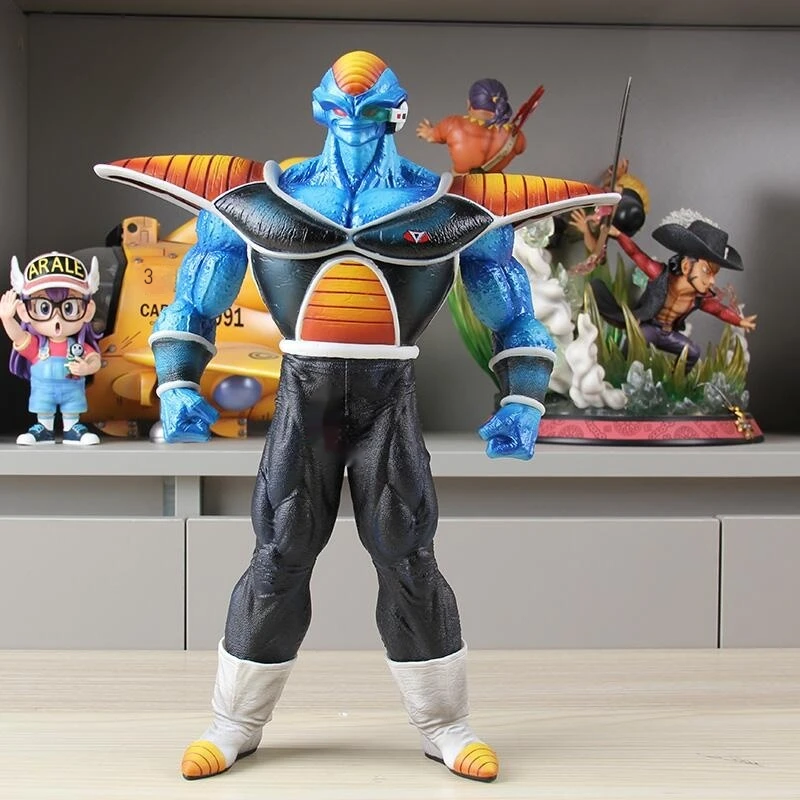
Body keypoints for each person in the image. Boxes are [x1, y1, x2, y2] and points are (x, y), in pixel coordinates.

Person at [94, 50, 615, 783]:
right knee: (279, 550)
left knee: (407, 552)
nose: (354, 125)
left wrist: (524, 399)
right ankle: (234, 721)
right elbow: (196, 299)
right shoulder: (258, 194)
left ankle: (445, 723)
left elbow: (510, 310)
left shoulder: (454, 203)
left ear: (397, 114)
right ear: (319, 109)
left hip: (386, 395)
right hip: (304, 394)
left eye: (370, 111)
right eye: (340, 110)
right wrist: (178, 384)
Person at [591, 212, 757, 370]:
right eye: (706, 271)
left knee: (693, 352)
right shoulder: (660, 275)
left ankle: (674, 380)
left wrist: (739, 321)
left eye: (714, 274)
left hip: (669, 335)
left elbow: (719, 310)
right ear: (686, 266)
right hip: (648, 328)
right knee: (633, 341)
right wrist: (618, 235)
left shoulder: (699, 298)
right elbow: (636, 254)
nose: (712, 280)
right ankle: (619, 369)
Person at [1, 252, 102, 445]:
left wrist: (87, 367)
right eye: (44, 308)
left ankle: (72, 429)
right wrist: (7, 319)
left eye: (69, 308)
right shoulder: (37, 345)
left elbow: (94, 359)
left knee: (72, 408)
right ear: (24, 311)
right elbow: (18, 336)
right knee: (43, 408)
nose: (57, 318)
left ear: (88, 311)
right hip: (43, 392)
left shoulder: (78, 346)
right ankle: (44, 430)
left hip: (72, 391)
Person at [416, 78, 532, 174]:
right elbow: (520, 148)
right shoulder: (517, 137)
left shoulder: (452, 125)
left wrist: (428, 131)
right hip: (496, 188)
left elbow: (431, 136)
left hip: (461, 186)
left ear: (469, 104)